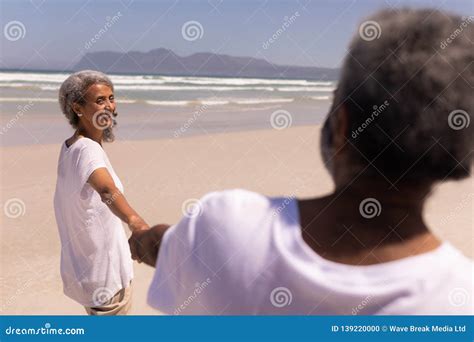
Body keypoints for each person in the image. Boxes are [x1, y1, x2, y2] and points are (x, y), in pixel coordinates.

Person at [130, 8, 473, 314]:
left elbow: (167, 248)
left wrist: (140, 236)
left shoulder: (225, 225)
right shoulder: (460, 300)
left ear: (341, 126)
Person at [54, 70, 149, 315]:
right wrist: (136, 222)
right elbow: (107, 189)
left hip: (89, 275)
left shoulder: (70, 146)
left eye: (111, 98)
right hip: (107, 281)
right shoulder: (87, 150)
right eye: (99, 100)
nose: (109, 106)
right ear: (77, 108)